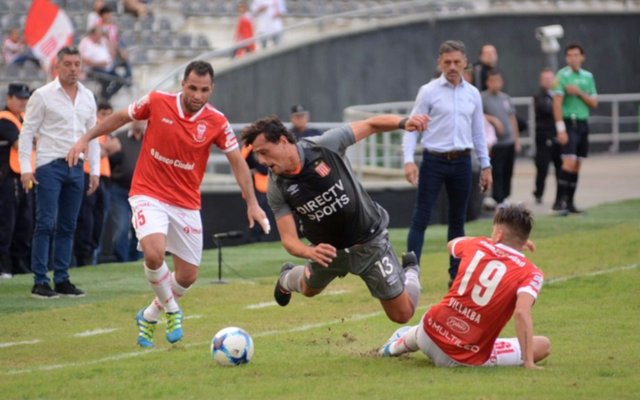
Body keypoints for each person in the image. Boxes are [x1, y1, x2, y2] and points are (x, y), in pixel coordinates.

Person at [67, 61, 270, 347]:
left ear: (211, 89)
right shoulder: (157, 101)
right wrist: (85, 138)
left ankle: (149, 314)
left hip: (186, 202)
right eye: (192, 88)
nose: (197, 95)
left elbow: (237, 161)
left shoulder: (217, 121)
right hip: (148, 193)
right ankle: (173, 311)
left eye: (204, 90)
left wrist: (252, 203)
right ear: (182, 84)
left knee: (188, 275)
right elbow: (121, 118)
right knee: (154, 254)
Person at [241, 113, 428, 324]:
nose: (263, 161)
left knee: (402, 315)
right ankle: (286, 278)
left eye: (265, 152)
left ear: (283, 142)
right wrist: (309, 251)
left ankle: (411, 271)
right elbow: (288, 239)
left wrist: (404, 122)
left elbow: (371, 124)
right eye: (258, 155)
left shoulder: (324, 146)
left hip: (370, 243)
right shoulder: (277, 186)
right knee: (307, 289)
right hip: (327, 253)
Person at [379, 204, 551, 369]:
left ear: (498, 234)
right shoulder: (531, 272)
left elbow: (452, 244)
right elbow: (521, 312)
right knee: (543, 345)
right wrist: (528, 362)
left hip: (427, 331)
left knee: (429, 326)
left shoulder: (478, 244)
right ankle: (401, 341)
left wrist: (492, 242)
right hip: (461, 357)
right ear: (524, 240)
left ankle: (394, 347)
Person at [403, 40, 492, 286]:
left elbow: (478, 134)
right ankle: (411, 274)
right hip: (434, 160)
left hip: (462, 161)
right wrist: (409, 160)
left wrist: (486, 166)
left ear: (465, 63)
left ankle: (455, 275)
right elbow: (411, 128)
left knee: (457, 220)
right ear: (439, 63)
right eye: (447, 62)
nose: (452, 67)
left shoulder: (473, 94)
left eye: (456, 62)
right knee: (421, 217)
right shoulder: (429, 91)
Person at [19, 46, 100, 299]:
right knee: (45, 224)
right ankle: (40, 280)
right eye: (68, 64)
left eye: (77, 63)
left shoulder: (88, 96)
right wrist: (25, 169)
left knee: (68, 225)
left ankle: (62, 278)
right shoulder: (43, 95)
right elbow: (27, 132)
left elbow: (93, 136)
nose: (74, 68)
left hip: (76, 167)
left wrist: (94, 170)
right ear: (58, 66)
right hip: (49, 165)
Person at [552, 43, 598, 214]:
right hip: (568, 122)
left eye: (576, 55)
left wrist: (579, 93)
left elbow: (594, 102)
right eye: (570, 55)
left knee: (578, 163)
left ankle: (571, 202)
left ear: (582, 57)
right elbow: (556, 103)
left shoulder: (588, 77)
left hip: (582, 123)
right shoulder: (561, 76)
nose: (573, 58)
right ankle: (559, 202)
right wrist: (560, 128)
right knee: (568, 162)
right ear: (566, 58)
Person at [0, 83, 34, 279]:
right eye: (20, 98)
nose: (23, 102)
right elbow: (20, 143)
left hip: (24, 178)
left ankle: (18, 263)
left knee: (24, 223)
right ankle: (4, 265)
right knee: (7, 224)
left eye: (25, 98)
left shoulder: (22, 119)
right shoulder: (5, 119)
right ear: (9, 98)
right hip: (8, 178)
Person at [74, 102, 113, 266]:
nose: (106, 118)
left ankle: (90, 252)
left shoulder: (106, 132)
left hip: (101, 177)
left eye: (109, 114)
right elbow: (97, 151)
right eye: (103, 113)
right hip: (88, 175)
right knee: (87, 218)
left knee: (98, 218)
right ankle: (85, 255)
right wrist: (108, 148)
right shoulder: (93, 127)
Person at [104, 120, 146, 262]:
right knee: (121, 227)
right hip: (120, 188)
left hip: (142, 191)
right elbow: (108, 160)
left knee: (140, 229)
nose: (140, 122)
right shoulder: (119, 138)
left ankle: (137, 260)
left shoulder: (150, 139)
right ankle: (122, 260)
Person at [482, 69, 520, 206]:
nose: (495, 84)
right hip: (495, 143)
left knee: (507, 171)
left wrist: (516, 140)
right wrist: (493, 120)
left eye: (497, 80)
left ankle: (505, 195)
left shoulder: (505, 98)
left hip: (508, 141)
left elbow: (512, 118)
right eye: (492, 81)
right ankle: (497, 198)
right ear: (487, 82)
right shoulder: (482, 98)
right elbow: (478, 116)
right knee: (496, 170)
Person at [533, 67, 562, 206]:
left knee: (560, 166)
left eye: (550, 79)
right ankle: (538, 192)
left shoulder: (557, 94)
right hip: (544, 137)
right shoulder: (539, 96)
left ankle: (561, 194)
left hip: (558, 135)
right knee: (542, 167)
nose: (548, 82)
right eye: (545, 79)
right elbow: (546, 109)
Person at [78, 27, 126, 101]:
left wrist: (108, 40)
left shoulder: (103, 41)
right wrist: (99, 64)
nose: (100, 36)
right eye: (98, 34)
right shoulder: (86, 42)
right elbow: (83, 59)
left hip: (108, 68)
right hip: (94, 69)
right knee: (106, 80)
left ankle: (106, 97)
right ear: (92, 34)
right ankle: (102, 99)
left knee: (120, 80)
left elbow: (113, 54)